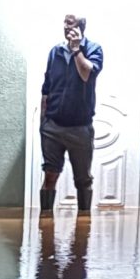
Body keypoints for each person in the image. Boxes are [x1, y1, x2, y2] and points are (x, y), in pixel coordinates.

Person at [38, 11, 105, 212]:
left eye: (71, 23)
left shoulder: (94, 49)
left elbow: (87, 74)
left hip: (80, 128)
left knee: (83, 180)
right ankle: (45, 225)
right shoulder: (55, 52)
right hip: (53, 127)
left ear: (81, 26)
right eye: (65, 23)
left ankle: (83, 229)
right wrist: (43, 123)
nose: (67, 27)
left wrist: (76, 50)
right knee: (50, 175)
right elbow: (47, 88)